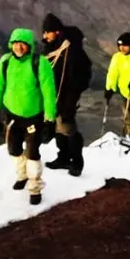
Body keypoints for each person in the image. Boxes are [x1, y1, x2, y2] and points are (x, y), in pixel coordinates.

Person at [0, 28, 58, 205]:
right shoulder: (5, 62)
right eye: (16, 44)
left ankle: (35, 187)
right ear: (11, 44)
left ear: (29, 46)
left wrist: (50, 118)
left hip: (33, 117)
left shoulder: (39, 63)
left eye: (23, 44)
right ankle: (23, 174)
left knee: (32, 153)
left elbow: (48, 92)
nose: (19, 47)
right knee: (13, 149)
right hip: (12, 115)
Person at [41, 13, 92, 176]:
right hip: (54, 95)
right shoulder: (52, 48)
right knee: (58, 127)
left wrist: (73, 94)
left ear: (55, 32)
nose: (44, 36)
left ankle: (77, 161)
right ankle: (63, 157)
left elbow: (81, 72)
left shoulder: (70, 48)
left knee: (67, 126)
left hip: (67, 94)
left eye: (47, 32)